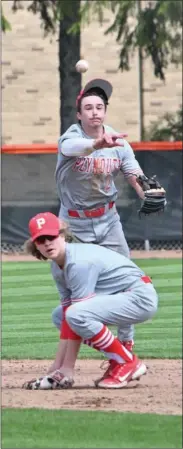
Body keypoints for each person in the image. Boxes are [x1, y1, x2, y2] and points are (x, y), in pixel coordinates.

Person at [52, 78, 146, 350]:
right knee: (71, 292)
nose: (95, 112)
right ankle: (101, 345)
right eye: (88, 107)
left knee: (127, 281)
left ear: (105, 111)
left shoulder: (119, 142)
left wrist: (148, 193)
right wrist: (96, 145)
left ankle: (126, 345)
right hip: (72, 225)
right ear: (79, 114)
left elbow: (134, 174)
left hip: (108, 221)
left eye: (99, 107)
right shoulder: (71, 137)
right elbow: (70, 149)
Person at [23, 212, 158, 390]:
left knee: (77, 314)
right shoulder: (57, 267)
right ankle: (119, 358)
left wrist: (67, 369)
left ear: (62, 235)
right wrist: (56, 368)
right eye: (41, 240)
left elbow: (76, 314)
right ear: (35, 245)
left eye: (51, 236)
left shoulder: (78, 263)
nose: (47, 243)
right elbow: (67, 317)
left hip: (139, 297)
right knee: (60, 316)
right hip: (122, 297)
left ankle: (127, 361)